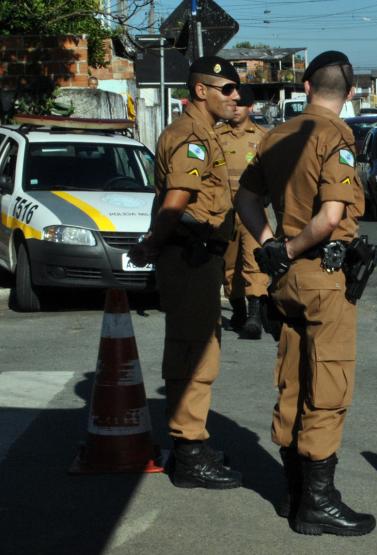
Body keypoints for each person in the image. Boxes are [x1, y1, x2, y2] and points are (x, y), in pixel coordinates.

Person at [235, 50, 375, 537]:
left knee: (293, 377)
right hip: (321, 277)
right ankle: (318, 502)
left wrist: (271, 246)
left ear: (307, 87)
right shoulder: (336, 135)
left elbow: (245, 198)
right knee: (329, 386)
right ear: (350, 93)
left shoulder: (276, 134)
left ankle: (292, 492)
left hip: (286, 283)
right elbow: (332, 216)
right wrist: (291, 248)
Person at [127, 56, 242, 489]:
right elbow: (178, 198)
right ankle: (189, 451)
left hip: (199, 258)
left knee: (197, 349)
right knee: (193, 354)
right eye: (226, 88)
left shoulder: (203, 133)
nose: (234, 96)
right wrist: (152, 244)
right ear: (200, 91)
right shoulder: (190, 135)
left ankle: (192, 443)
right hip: (189, 256)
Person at [216, 84, 270, 339]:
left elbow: (274, 174)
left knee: (254, 261)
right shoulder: (216, 136)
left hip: (253, 212)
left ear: (250, 107)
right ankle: (237, 310)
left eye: (241, 104)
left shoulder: (262, 137)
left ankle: (254, 316)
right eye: (232, 103)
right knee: (229, 264)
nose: (235, 108)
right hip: (224, 212)